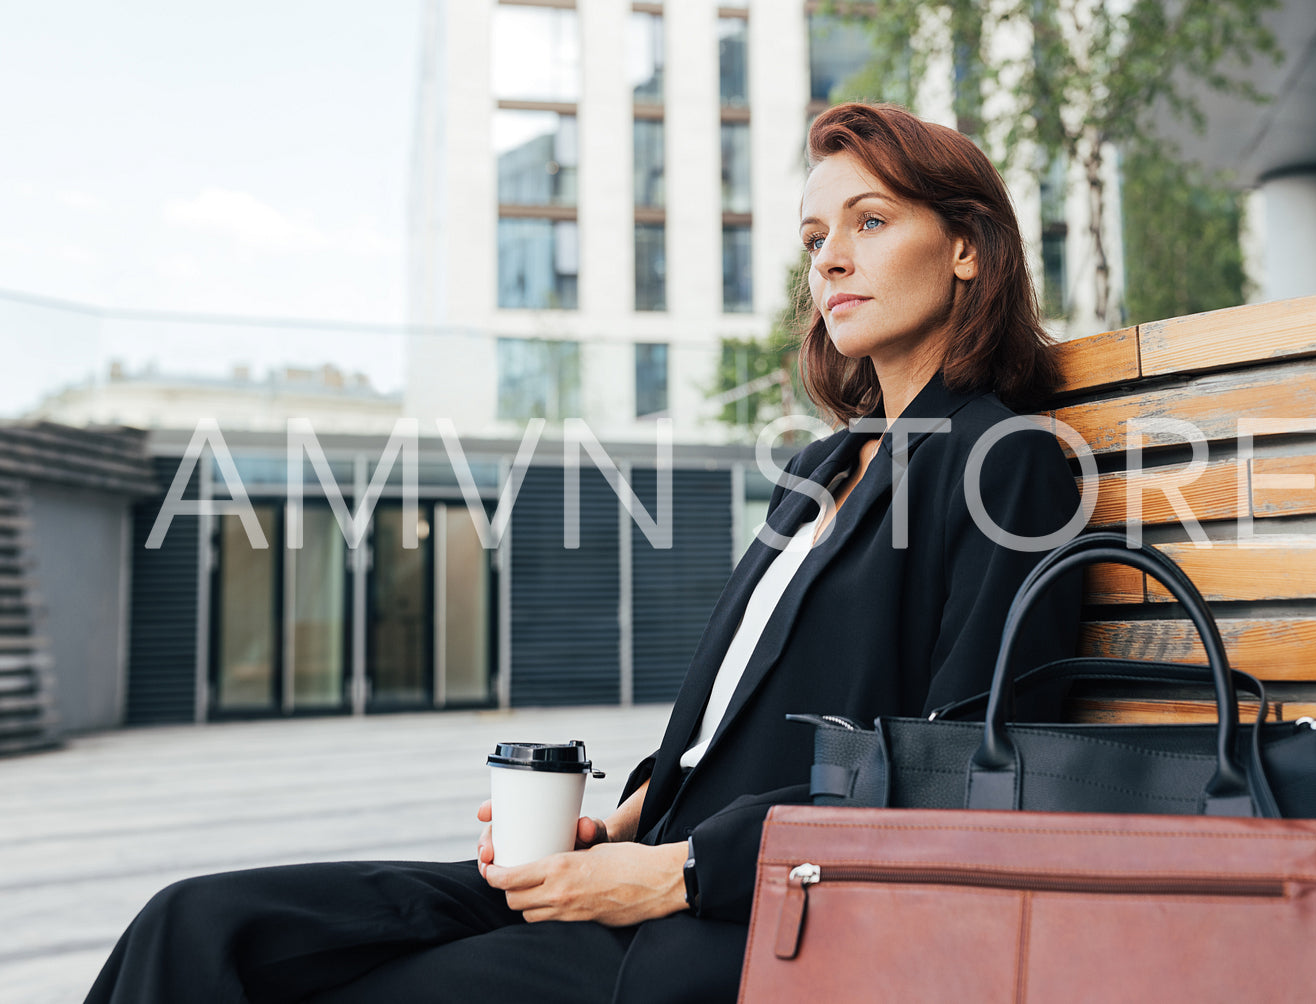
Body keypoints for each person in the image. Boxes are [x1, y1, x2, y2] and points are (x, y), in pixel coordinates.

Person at [85, 102, 1084, 1004]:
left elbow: (961, 769)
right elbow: (727, 721)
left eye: (870, 223)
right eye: (815, 235)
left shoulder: (1006, 460)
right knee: (196, 923)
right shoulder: (821, 468)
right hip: (642, 870)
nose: (826, 260)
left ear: (964, 247)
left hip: (752, 915)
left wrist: (681, 868)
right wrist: (614, 828)